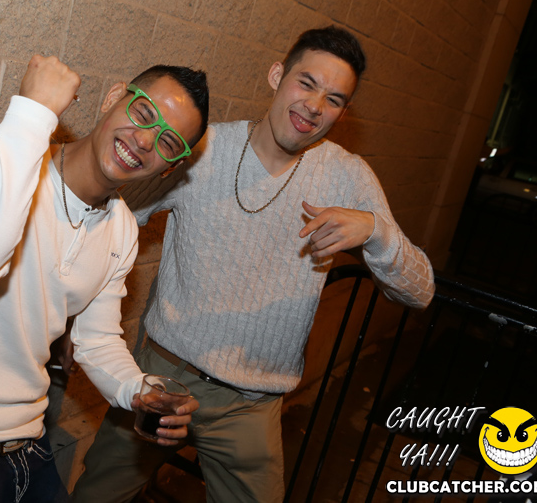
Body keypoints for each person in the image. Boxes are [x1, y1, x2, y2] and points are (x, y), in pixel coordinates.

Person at [72, 26, 435, 503]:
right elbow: (109, 219)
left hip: (251, 408)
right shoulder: (202, 149)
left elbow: (421, 291)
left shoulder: (348, 177)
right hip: (162, 379)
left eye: (333, 99)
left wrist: (376, 231)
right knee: (95, 496)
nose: (314, 106)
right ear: (277, 75)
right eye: (306, 83)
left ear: (342, 113)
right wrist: (71, 317)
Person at [0, 55, 208, 502]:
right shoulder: (5, 162)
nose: (143, 140)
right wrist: (33, 111)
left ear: (169, 168)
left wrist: (139, 390)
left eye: (168, 142)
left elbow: (96, 340)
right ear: (113, 97)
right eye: (142, 112)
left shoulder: (122, 229)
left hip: (29, 446)